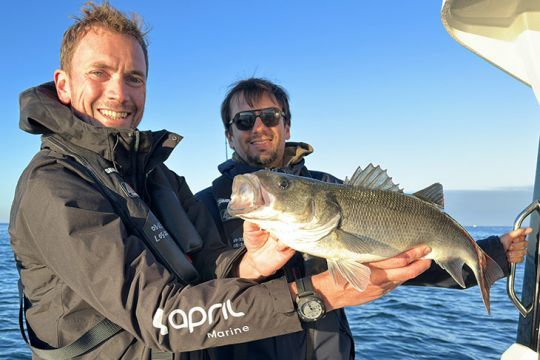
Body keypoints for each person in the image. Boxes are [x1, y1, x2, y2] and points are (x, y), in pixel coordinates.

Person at [9, 3, 435, 359]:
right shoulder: (56, 186)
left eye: (134, 77)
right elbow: (162, 316)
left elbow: (203, 265)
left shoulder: (156, 176)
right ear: (63, 85)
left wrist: (251, 264)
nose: (119, 92)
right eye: (98, 73)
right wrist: (320, 294)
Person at [196, 77, 532, 359]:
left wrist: (493, 254)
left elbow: (396, 262)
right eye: (244, 120)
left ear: (286, 125)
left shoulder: (331, 189)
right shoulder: (204, 208)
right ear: (229, 135)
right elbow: (198, 301)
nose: (258, 127)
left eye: (270, 117)